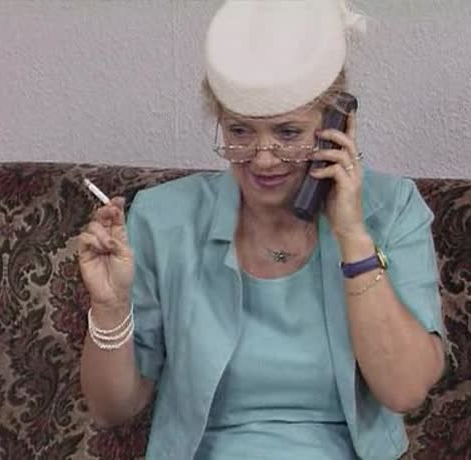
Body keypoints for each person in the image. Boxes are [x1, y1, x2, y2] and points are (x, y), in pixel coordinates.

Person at [78, 0, 445, 459]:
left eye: (288, 133)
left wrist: (352, 235)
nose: (263, 158)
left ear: (337, 125)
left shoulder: (393, 209)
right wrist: (110, 308)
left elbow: (404, 390)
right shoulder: (162, 217)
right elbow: (113, 409)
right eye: (240, 132)